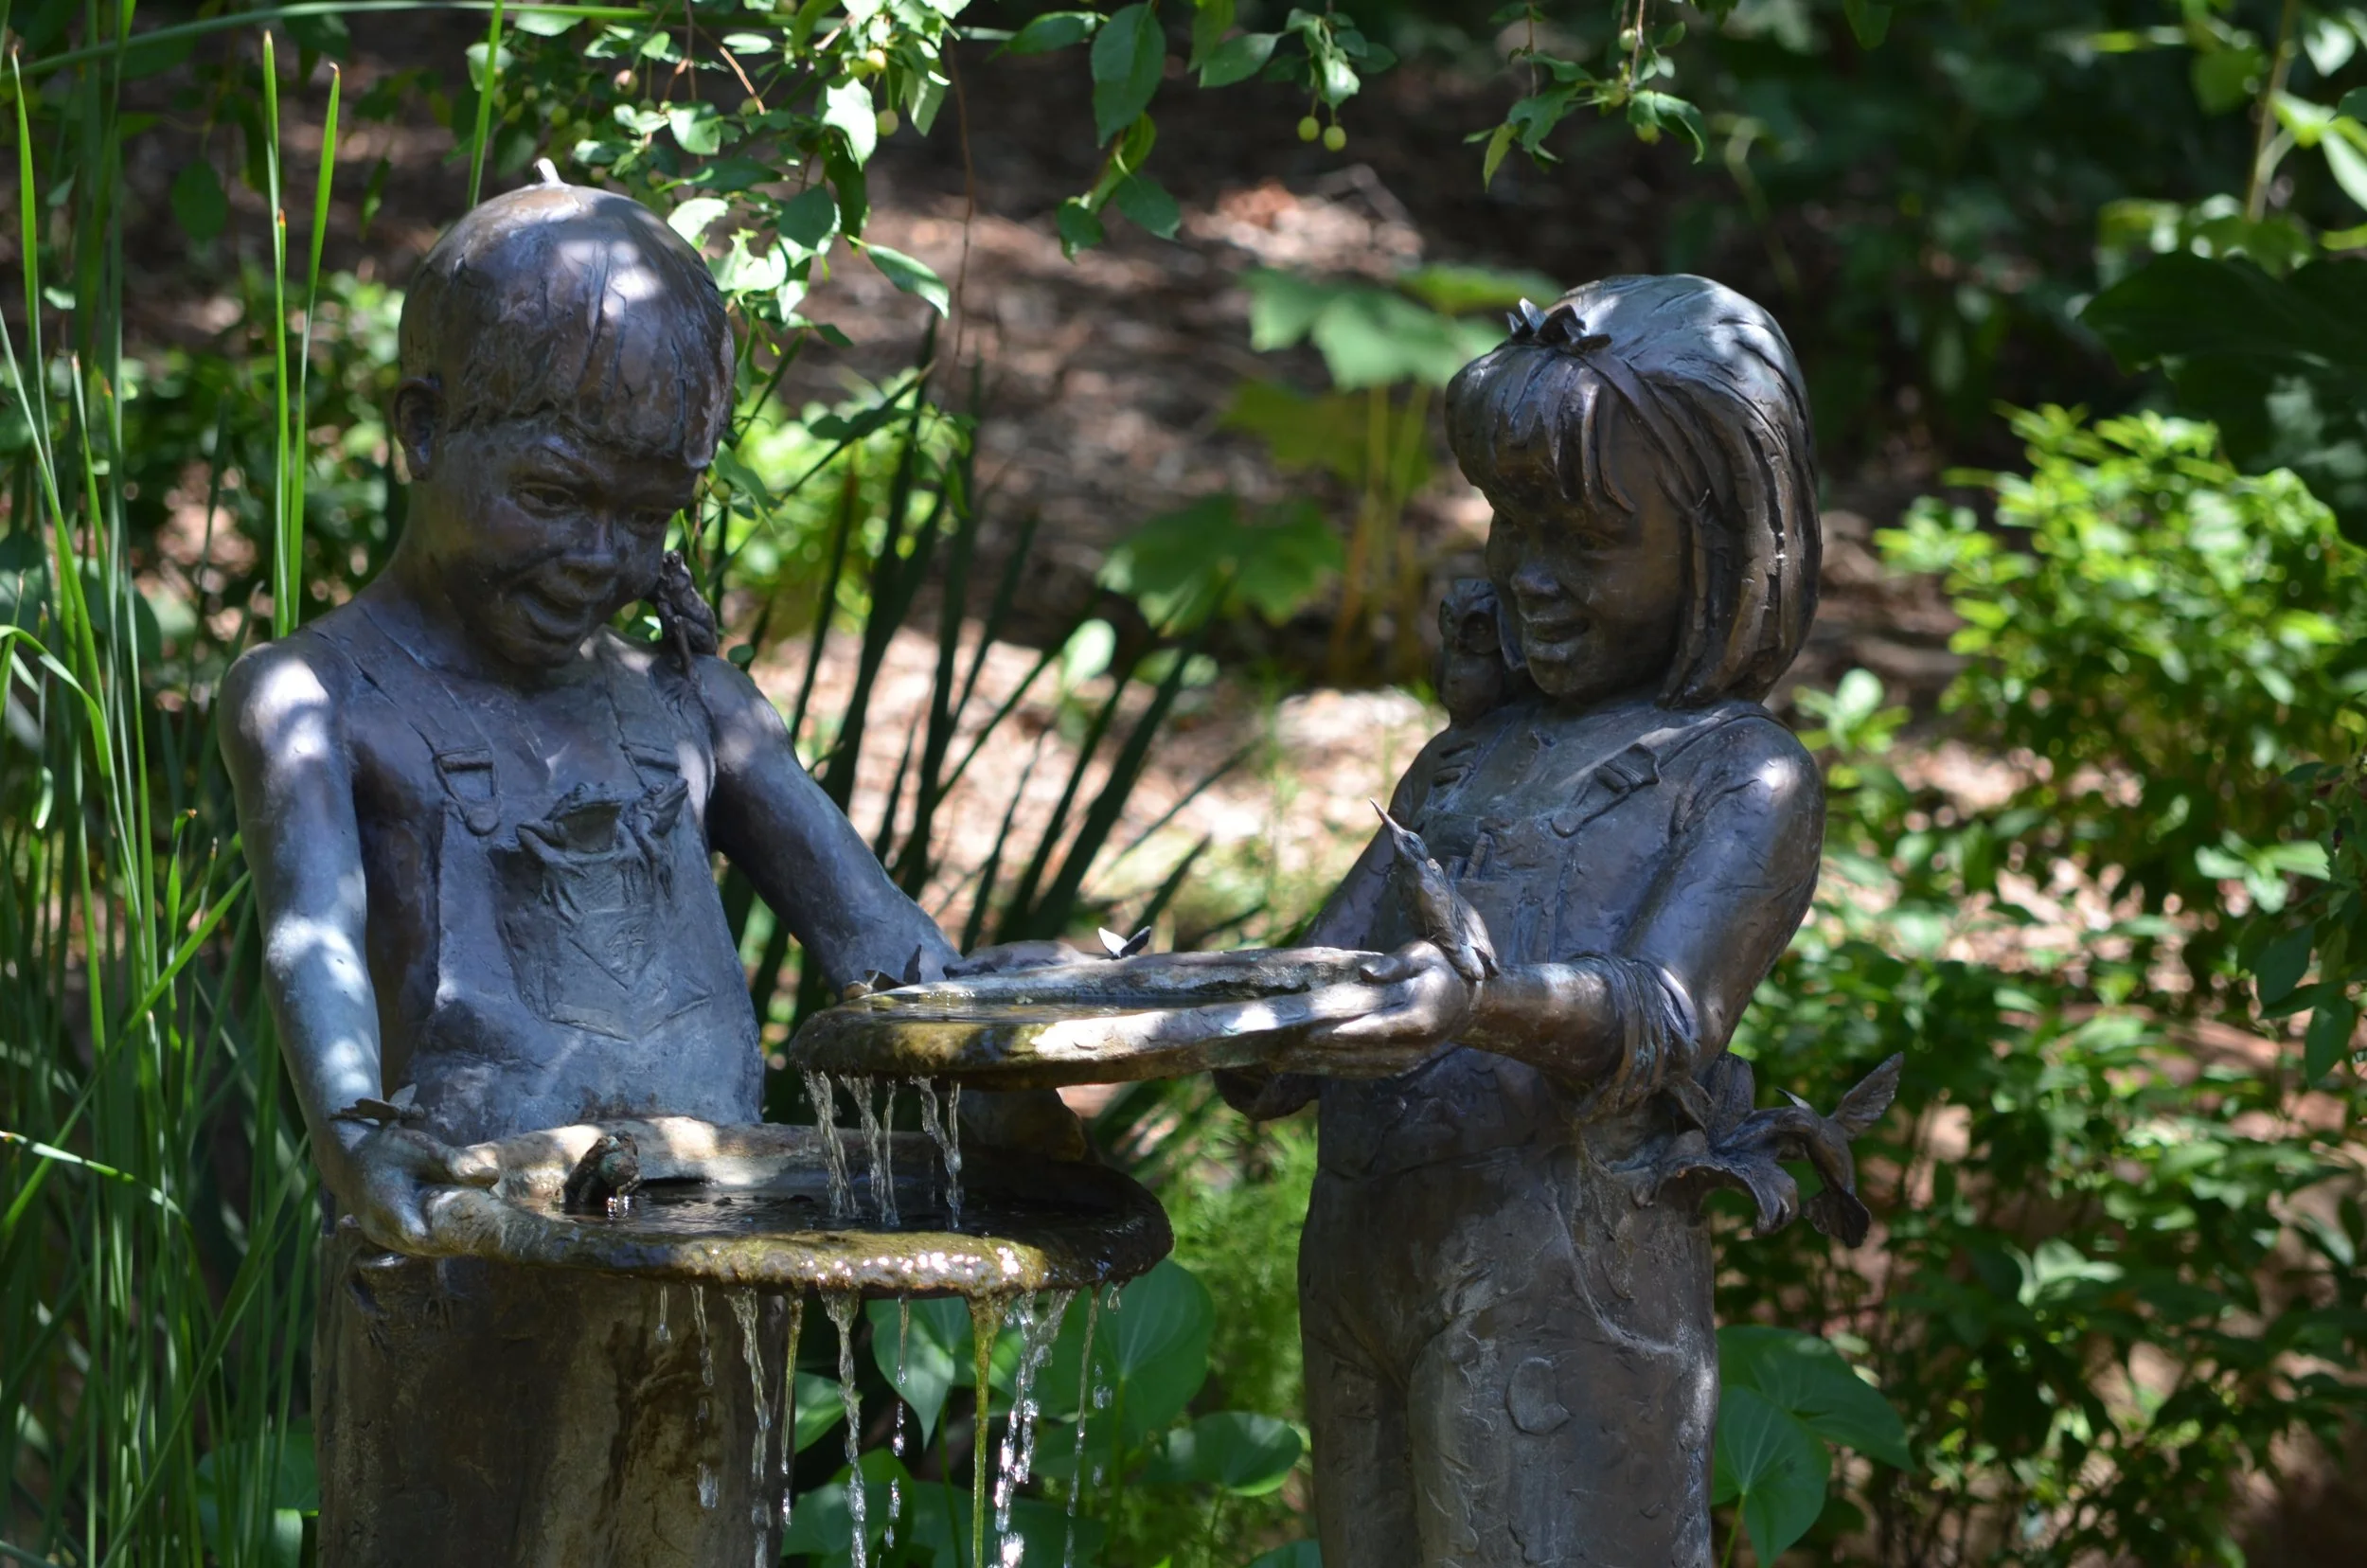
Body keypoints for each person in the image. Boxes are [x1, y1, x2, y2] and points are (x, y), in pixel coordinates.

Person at [220, 169, 1072, 1567]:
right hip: (463, 1271)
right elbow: (307, 939)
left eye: (648, 515)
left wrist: (1029, 1016)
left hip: (714, 1267)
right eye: (554, 496)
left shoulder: (690, 705)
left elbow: (889, 956)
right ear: (423, 433)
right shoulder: (321, 698)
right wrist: (357, 1138)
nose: (599, 558)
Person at [1217, 275, 1826, 1568]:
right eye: (1511, 526)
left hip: (1566, 1291)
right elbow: (1307, 1005)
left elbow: (1663, 1018)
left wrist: (1474, 1007)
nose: (1531, 579)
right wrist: (1203, 1014)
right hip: (1369, 1268)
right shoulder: (1466, 767)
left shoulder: (1735, 773)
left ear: (1720, 541)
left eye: (1588, 540)